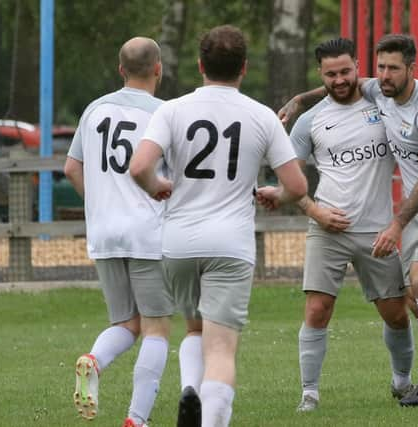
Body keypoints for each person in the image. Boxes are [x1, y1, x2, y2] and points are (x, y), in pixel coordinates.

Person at [278, 35, 418, 407]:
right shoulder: (379, 91)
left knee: (417, 289)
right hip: (398, 213)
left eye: (393, 68)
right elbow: (339, 84)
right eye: (381, 67)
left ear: (411, 68)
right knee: (414, 298)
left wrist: (396, 225)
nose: (384, 75)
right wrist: (298, 100)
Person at [129, 25, 307, 427]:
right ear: (244, 68)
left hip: (178, 242)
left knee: (194, 328)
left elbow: (139, 167)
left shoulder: (171, 110)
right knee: (222, 348)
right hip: (230, 243)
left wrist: (158, 186)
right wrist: (276, 196)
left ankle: (190, 387)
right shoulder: (261, 115)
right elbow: (297, 186)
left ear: (200, 65)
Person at [65, 37, 203, 427]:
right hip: (148, 233)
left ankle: (95, 359)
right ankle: (136, 419)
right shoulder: (166, 113)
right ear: (158, 68)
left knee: (126, 323)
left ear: (120, 69)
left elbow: (71, 169)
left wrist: (102, 203)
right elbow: (181, 177)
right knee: (157, 327)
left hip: (105, 234)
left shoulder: (94, 110)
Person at [282, 38, 415, 412]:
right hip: (327, 228)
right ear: (320, 74)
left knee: (395, 313)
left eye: (345, 71)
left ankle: (402, 382)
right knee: (317, 310)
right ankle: (309, 393)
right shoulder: (310, 122)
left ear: (358, 66)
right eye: (330, 74)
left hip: (378, 232)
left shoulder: (384, 103)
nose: (339, 80)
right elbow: (290, 181)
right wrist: (315, 211)